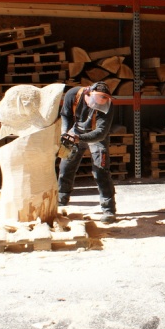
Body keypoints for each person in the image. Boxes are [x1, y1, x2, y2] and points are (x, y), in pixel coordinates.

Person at [57, 81, 117, 223]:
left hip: (96, 136)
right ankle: (60, 203)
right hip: (75, 131)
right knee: (65, 168)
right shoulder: (73, 94)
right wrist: (65, 132)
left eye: (103, 100)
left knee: (101, 170)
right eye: (96, 100)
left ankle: (108, 210)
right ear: (87, 93)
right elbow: (65, 114)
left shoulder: (108, 105)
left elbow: (101, 133)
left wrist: (79, 138)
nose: (99, 104)